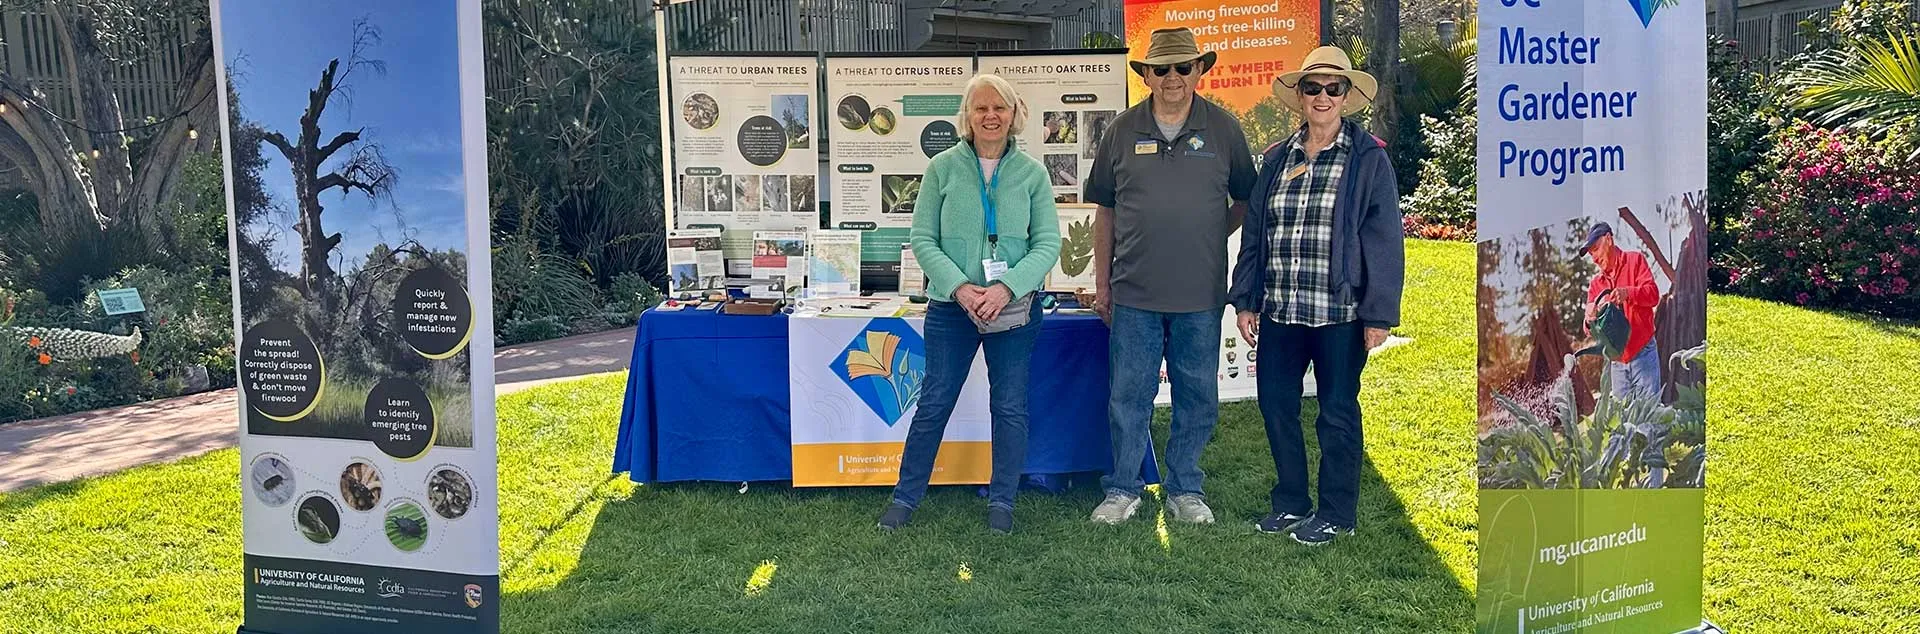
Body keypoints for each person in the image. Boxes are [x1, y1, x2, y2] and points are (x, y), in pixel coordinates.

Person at [1227, 46, 1404, 546]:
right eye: (1313, 87)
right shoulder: (1277, 157)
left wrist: (1379, 314)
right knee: (1276, 405)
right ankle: (1291, 502)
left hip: (1340, 312)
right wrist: (1246, 299)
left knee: (1337, 412)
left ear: (1346, 97)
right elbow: (1256, 233)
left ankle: (1336, 512)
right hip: (1282, 309)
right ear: (1299, 96)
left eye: (1333, 88)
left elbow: (1384, 239)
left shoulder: (1369, 157)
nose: (1322, 96)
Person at [1083, 27, 1257, 526]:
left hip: (1200, 293)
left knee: (1197, 393)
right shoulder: (1120, 131)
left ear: (1200, 70)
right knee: (1128, 395)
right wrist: (1102, 285)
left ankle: (1185, 488)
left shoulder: (1224, 129)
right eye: (1162, 69)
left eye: (1184, 67)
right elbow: (1105, 213)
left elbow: (1246, 197)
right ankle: (1122, 488)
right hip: (1133, 291)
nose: (1174, 77)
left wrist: (1210, 232)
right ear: (1146, 76)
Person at [877, 73, 1061, 535]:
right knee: (934, 402)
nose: (990, 116)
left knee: (1010, 407)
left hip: (1012, 309)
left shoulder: (1033, 175)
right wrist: (961, 288)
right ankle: (906, 496)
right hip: (951, 309)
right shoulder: (942, 168)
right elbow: (922, 238)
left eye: (999, 108)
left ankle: (1002, 502)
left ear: (1014, 114)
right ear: (967, 116)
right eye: (980, 108)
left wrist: (1005, 289)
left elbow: (1047, 243)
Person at [1581, 222, 1662, 399]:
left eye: (1595, 249)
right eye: (1590, 254)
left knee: (1649, 419)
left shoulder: (1635, 261)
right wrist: (1589, 318)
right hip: (1617, 363)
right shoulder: (1596, 284)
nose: (1593, 258)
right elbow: (1587, 330)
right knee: (1623, 421)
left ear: (1609, 239)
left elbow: (1653, 295)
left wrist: (1628, 293)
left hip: (1643, 354)